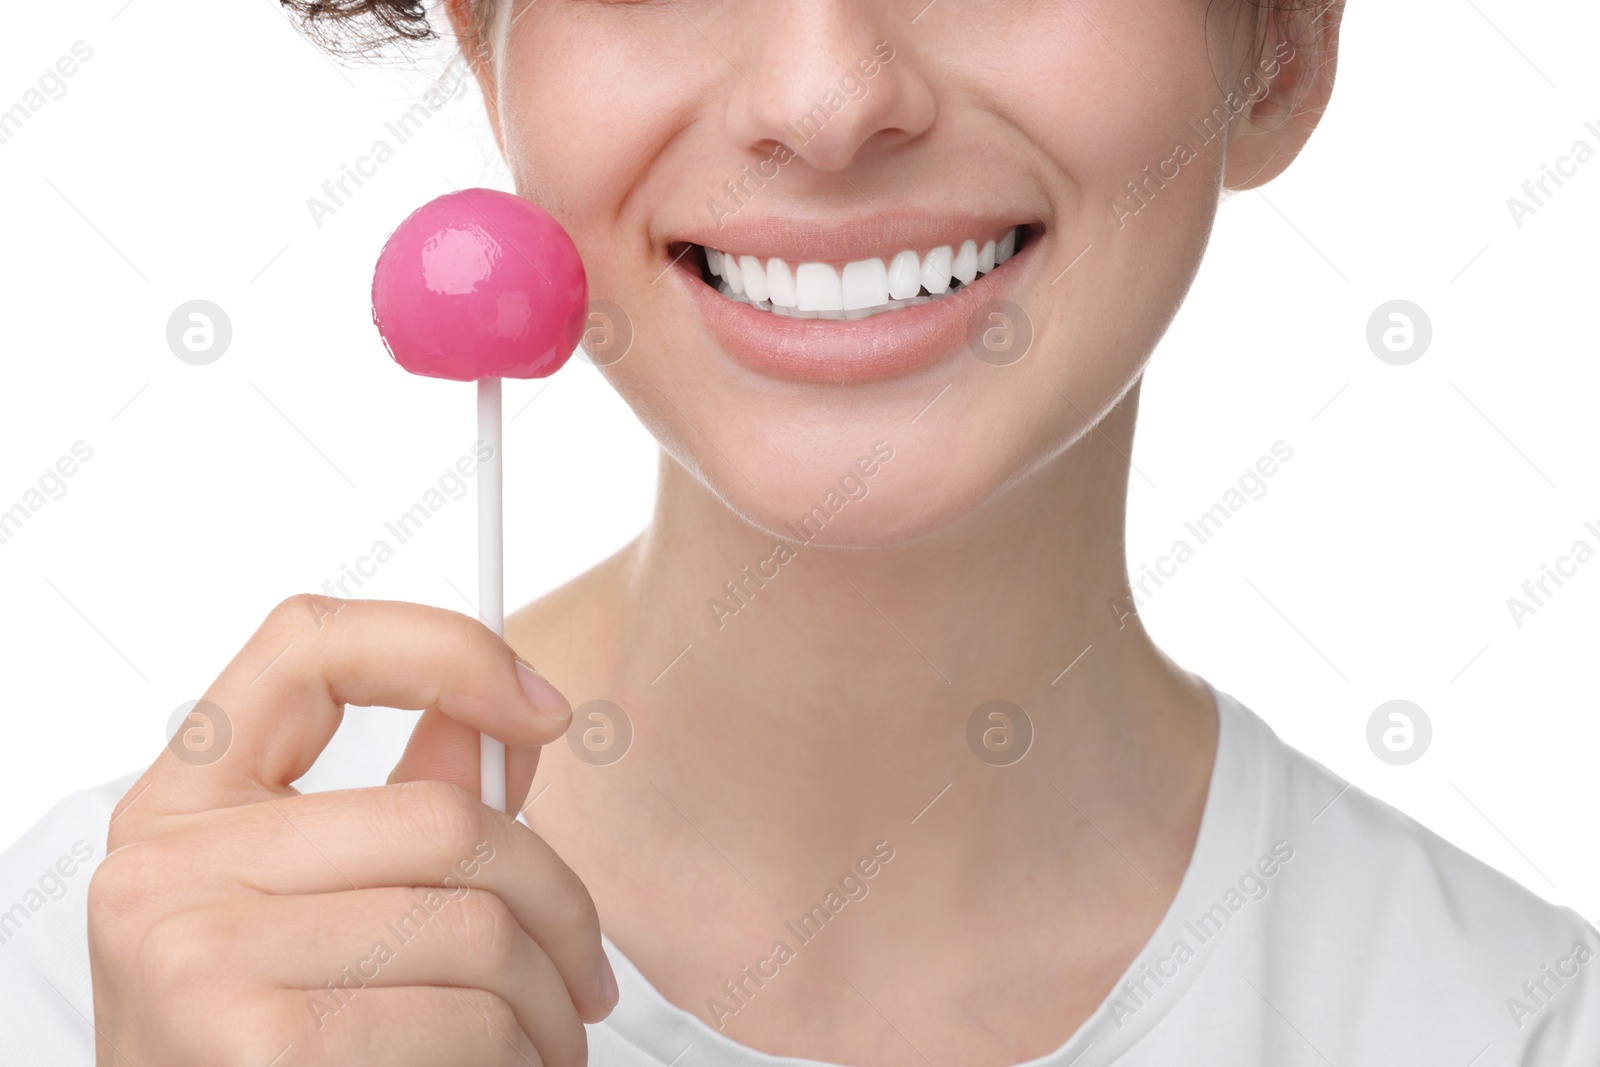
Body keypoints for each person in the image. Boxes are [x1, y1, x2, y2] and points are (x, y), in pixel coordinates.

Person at [3, 0, 1597, 1063]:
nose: (829, 100)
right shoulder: (112, 971)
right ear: (491, 57)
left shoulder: (1514, 1027)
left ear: (1284, 50)